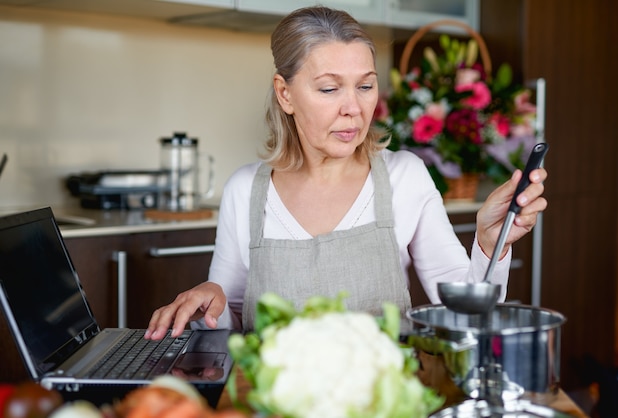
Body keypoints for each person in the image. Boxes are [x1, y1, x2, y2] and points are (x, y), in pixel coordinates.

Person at [144, 6, 548, 338]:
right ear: (285, 94)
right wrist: (209, 299)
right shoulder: (245, 189)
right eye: (329, 88)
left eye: (365, 86)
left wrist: (490, 244)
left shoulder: (405, 177)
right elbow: (231, 321)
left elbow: (466, 315)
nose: (353, 108)